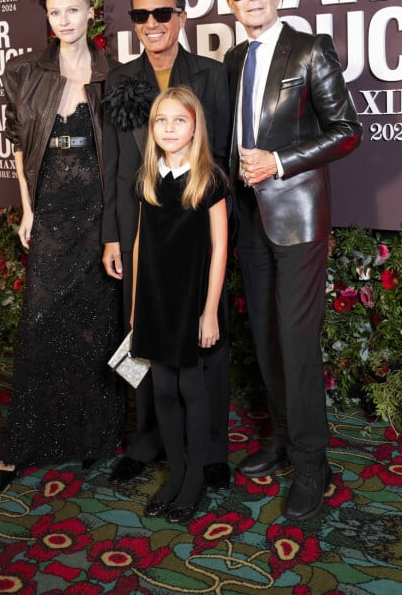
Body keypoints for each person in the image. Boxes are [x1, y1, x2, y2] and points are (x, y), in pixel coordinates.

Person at [224, 0, 362, 521]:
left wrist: (280, 162)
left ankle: (312, 466)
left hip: (298, 217)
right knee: (264, 334)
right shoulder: (234, 58)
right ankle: (283, 440)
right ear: (231, 2)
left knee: (297, 343)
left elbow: (348, 131)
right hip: (247, 217)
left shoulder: (310, 49)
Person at [0, 0, 125, 493]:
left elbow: (124, 155)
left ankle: (96, 438)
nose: (64, 20)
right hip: (49, 210)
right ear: (48, 17)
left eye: (73, 9)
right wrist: (27, 210)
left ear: (91, 13)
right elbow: (16, 145)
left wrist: (115, 225)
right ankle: (24, 442)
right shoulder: (25, 71)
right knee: (42, 323)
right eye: (55, 12)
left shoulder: (113, 72)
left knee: (97, 325)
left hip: (98, 212)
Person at [101, 0, 231, 490]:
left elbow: (217, 154)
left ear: (181, 16)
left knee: (206, 336)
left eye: (161, 13)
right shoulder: (119, 79)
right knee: (145, 333)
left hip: (198, 226)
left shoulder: (212, 74)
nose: (151, 24)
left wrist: (219, 229)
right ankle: (148, 441)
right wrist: (113, 233)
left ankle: (211, 451)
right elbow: (115, 164)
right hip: (142, 226)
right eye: (140, 16)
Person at [131, 87, 229, 523]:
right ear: (153, 129)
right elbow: (139, 245)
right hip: (154, 301)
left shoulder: (210, 179)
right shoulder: (147, 178)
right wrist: (136, 306)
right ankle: (175, 474)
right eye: (161, 121)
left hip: (192, 302)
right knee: (162, 389)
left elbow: (221, 250)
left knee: (191, 388)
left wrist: (209, 311)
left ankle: (194, 480)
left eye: (179, 121)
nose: (169, 129)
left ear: (195, 127)